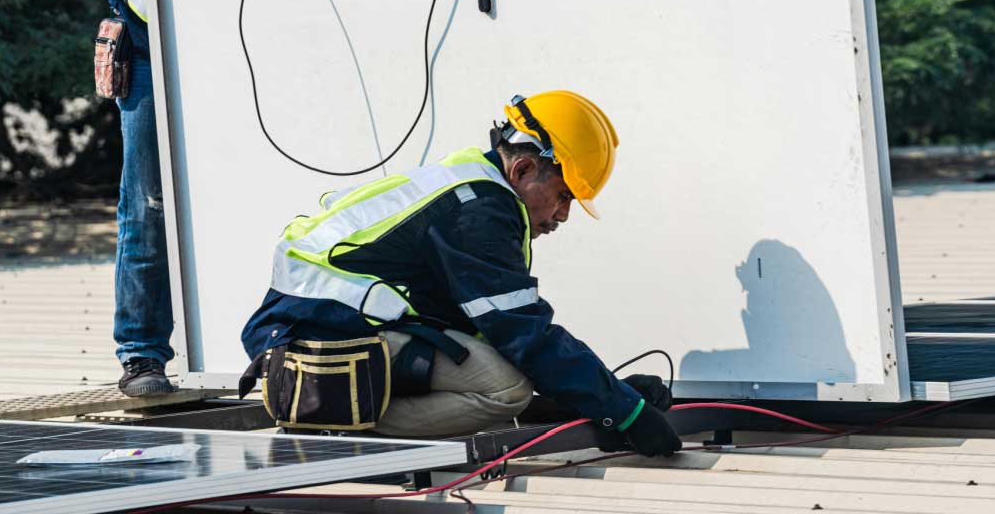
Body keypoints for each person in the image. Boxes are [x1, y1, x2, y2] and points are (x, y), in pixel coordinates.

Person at [239, 91, 683, 457]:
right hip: (313, 340)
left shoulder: (472, 185)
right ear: (524, 168)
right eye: (563, 196)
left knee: (497, 367)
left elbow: (493, 333)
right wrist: (623, 412)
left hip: (318, 329)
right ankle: (338, 427)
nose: (563, 215)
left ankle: (345, 414)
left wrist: (605, 393)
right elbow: (525, 336)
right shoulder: (478, 214)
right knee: (505, 391)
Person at [110, 0, 379, 396]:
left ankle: (273, 342)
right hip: (159, 42)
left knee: (275, 191)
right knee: (150, 203)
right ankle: (142, 354)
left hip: (256, 54)